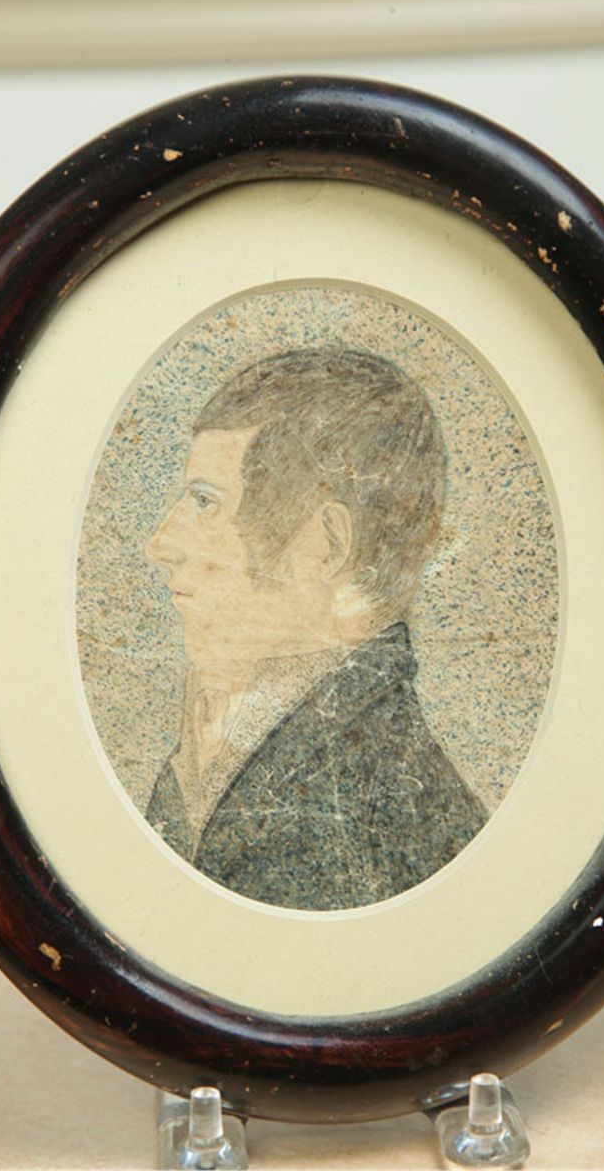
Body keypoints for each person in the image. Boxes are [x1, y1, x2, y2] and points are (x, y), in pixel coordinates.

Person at [144, 346, 485, 909]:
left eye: (205, 501)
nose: (160, 544)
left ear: (327, 543)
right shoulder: (221, 735)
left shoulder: (396, 805)